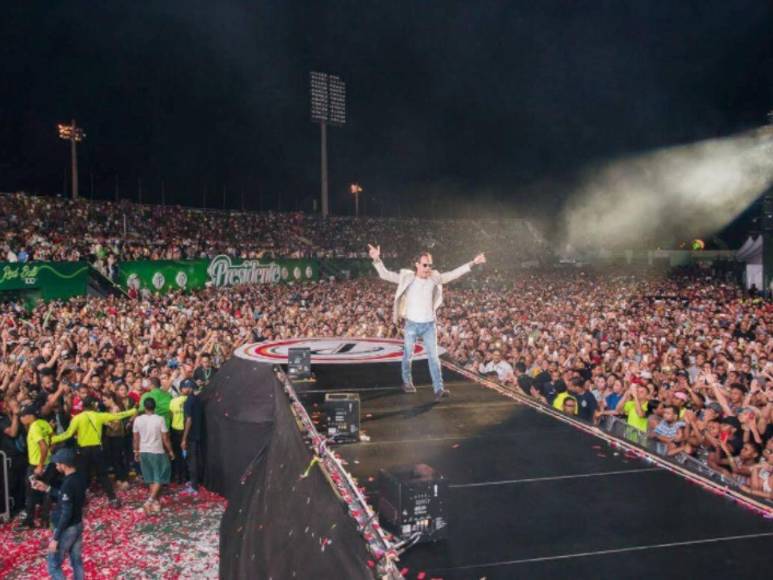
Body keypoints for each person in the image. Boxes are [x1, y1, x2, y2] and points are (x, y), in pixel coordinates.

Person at [368, 243, 486, 401]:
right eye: (425, 265)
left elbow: (453, 274)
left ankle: (439, 389)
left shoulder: (434, 278)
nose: (428, 268)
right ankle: (407, 382)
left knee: (434, 357)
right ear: (417, 265)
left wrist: (473, 263)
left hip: (429, 325)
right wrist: (377, 260)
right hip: (411, 324)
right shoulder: (407, 278)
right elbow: (385, 275)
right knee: (408, 355)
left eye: (430, 265)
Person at [51, 397, 137, 507]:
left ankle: (80, 500)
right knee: (102, 475)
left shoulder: (77, 418)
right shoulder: (98, 415)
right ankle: (112, 499)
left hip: (83, 451)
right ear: (92, 406)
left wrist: (52, 439)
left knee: (82, 475)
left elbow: (68, 434)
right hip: (97, 449)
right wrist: (133, 411)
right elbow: (118, 416)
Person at [30, 447, 86, 580]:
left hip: (68, 528)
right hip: (78, 524)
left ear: (64, 464)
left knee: (53, 566)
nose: (55, 465)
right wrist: (47, 488)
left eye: (57, 463)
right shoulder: (79, 477)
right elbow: (66, 496)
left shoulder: (68, 484)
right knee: (76, 561)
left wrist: (55, 538)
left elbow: (66, 512)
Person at [133, 397, 175, 514]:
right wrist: (170, 451)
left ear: (144, 407)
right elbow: (165, 438)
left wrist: (136, 451)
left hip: (143, 451)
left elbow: (136, 437)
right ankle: (150, 501)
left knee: (151, 478)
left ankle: (156, 503)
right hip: (157, 451)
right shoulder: (160, 419)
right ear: (154, 407)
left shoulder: (138, 420)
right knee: (160, 477)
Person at [18, 405, 55, 529]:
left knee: (30, 493)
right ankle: (45, 520)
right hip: (48, 463)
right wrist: (50, 452)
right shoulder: (44, 423)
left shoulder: (34, 427)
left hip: (36, 465)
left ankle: (29, 521)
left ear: (29, 416)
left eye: (22, 416)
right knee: (46, 491)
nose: (21, 419)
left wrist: (39, 466)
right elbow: (53, 438)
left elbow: (43, 446)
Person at [181, 381, 205, 495]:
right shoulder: (198, 400)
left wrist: (184, 438)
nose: (182, 391)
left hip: (191, 435)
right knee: (197, 459)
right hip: (199, 434)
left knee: (192, 461)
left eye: (183, 388)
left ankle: (194, 486)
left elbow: (189, 420)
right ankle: (195, 482)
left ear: (189, 388)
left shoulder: (188, 402)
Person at [169, 379, 193, 484]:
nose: (187, 389)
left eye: (188, 387)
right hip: (185, 431)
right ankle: (185, 476)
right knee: (186, 455)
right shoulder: (192, 401)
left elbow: (170, 414)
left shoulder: (174, 401)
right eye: (186, 387)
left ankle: (179, 476)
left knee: (178, 455)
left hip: (176, 429)